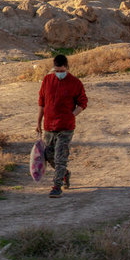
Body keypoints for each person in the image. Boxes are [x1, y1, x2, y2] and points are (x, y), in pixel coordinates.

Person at [36, 54, 88, 198]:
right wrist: (38, 122)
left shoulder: (75, 83)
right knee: (48, 155)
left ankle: (56, 186)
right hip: (49, 126)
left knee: (60, 157)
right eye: (56, 71)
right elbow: (42, 102)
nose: (59, 74)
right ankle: (64, 173)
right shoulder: (47, 80)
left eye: (61, 71)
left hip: (66, 127)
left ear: (67, 68)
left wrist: (73, 115)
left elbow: (83, 102)